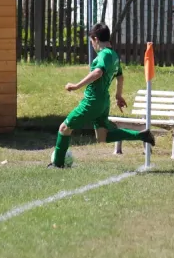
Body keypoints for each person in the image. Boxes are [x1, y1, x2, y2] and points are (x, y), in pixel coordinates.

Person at [48, 22, 155, 168]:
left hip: (92, 101)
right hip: (104, 101)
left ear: (96, 39)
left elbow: (98, 72)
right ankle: (142, 135)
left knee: (64, 128)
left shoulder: (104, 55)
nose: (92, 45)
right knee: (102, 137)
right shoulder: (115, 55)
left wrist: (76, 86)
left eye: (91, 41)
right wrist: (118, 95)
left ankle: (58, 164)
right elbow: (120, 77)